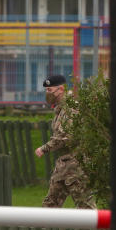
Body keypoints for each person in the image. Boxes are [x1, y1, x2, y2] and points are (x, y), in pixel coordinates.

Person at [34, 74, 95, 209]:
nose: (47, 93)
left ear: (60, 89)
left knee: (86, 207)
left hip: (76, 165)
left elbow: (66, 135)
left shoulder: (71, 108)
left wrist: (44, 148)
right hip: (63, 165)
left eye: (49, 90)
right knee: (50, 206)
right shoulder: (60, 109)